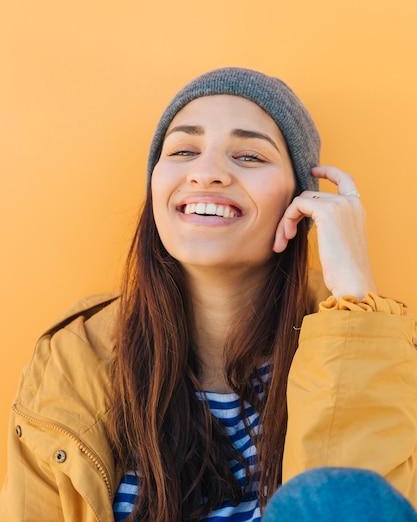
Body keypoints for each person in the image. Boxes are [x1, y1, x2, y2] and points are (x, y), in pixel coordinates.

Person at [1, 67, 416, 522]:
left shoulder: (382, 356)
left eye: (250, 156)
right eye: (183, 150)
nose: (206, 173)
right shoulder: (70, 362)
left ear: (300, 203)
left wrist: (356, 301)